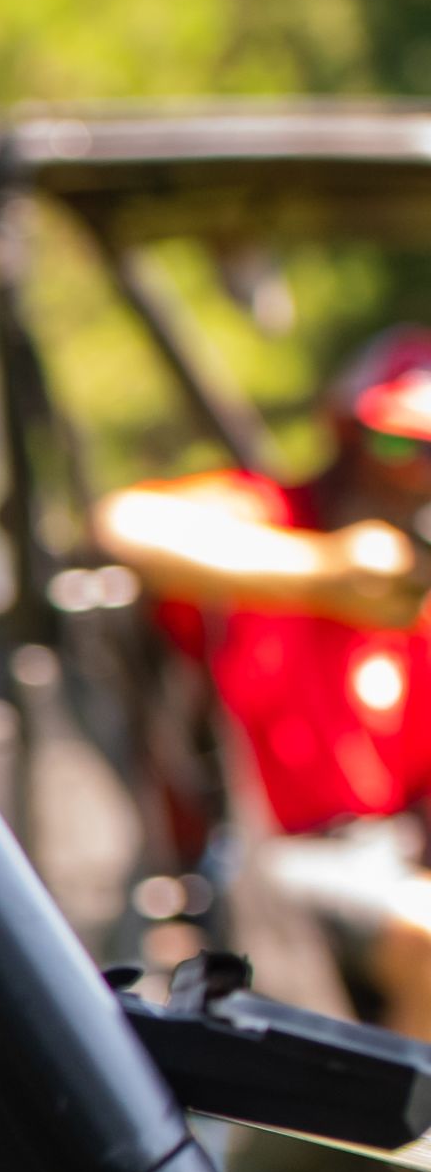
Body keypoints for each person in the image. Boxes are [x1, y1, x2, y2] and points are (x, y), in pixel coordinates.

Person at [91, 327, 431, 1029]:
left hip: (388, 853)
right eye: (399, 445)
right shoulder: (272, 519)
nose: (415, 473)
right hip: (257, 867)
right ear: (343, 431)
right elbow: (127, 524)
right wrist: (320, 576)